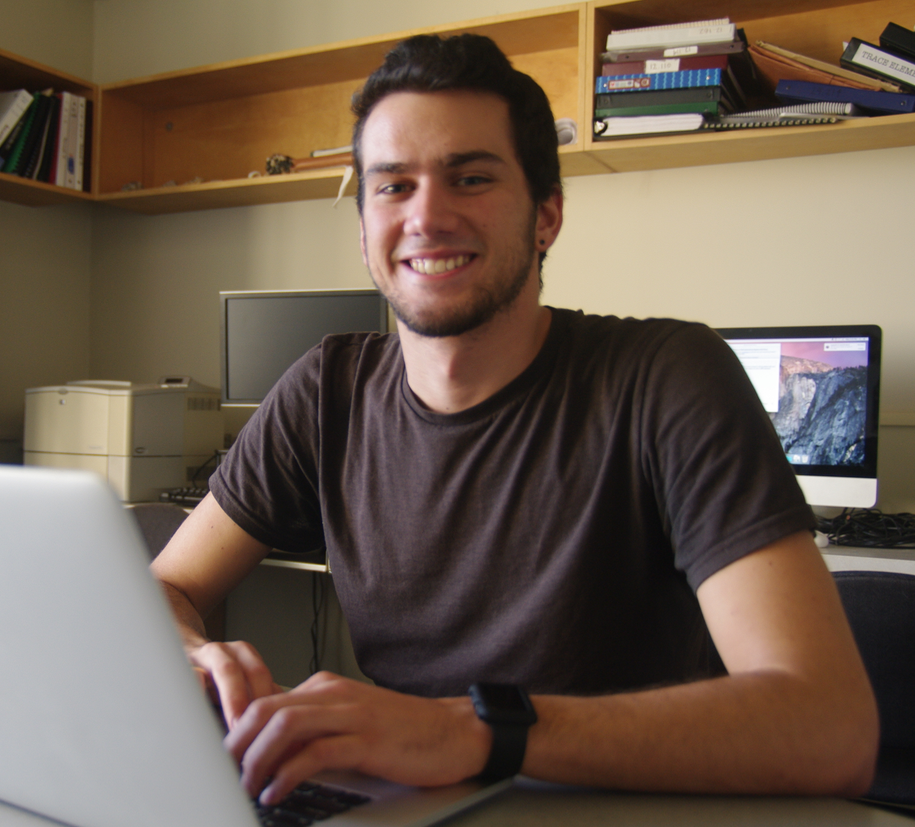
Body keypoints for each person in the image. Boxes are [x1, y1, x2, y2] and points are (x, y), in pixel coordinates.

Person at [150, 33, 878, 806]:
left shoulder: (667, 377)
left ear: (546, 216)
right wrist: (192, 654)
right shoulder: (324, 389)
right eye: (393, 186)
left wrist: (471, 730)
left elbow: (827, 728)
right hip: (402, 806)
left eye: (469, 177)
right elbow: (167, 585)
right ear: (362, 227)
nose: (427, 215)